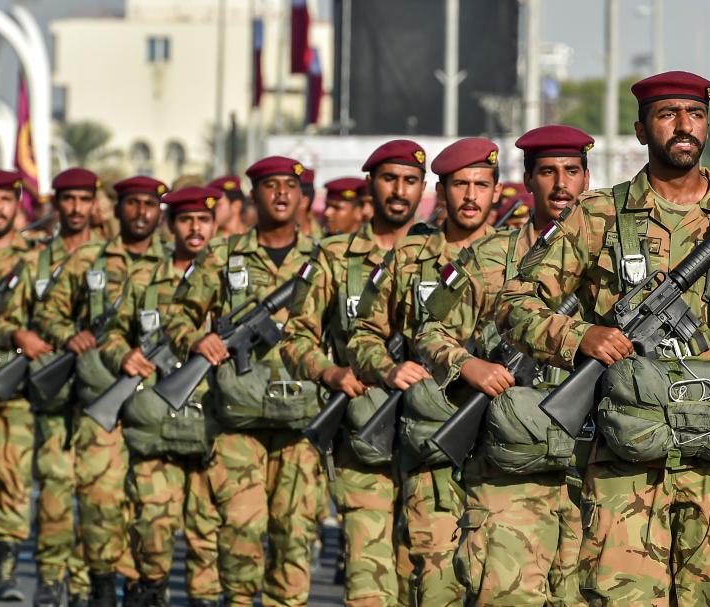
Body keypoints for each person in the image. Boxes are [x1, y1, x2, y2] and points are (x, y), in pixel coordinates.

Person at [496, 71, 710, 605]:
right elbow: (514, 303)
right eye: (668, 115)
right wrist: (581, 335)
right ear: (641, 130)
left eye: (695, 114)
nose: (684, 126)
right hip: (625, 469)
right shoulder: (600, 215)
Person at [416, 125, 592, 605]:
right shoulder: (490, 257)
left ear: (587, 179)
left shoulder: (613, 259)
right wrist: (468, 366)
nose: (561, 185)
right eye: (548, 173)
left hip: (594, 470)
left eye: (572, 172)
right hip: (509, 475)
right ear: (527, 181)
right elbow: (430, 331)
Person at [348, 137, 499, 606]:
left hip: (501, 451)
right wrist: (389, 369)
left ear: (497, 191)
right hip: (431, 451)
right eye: (460, 185)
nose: (471, 196)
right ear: (441, 190)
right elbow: (363, 335)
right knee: (436, 587)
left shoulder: (520, 259)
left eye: (481, 185)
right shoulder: (409, 259)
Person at [167, 156, 322, 606]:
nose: (280, 194)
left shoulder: (322, 256)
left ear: (301, 195)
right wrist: (199, 341)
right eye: (269, 186)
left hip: (301, 421)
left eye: (289, 186)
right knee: (241, 532)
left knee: (294, 534)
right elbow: (178, 316)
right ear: (252, 195)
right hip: (236, 420)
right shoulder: (223, 255)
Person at [281, 140, 428, 607]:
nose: (399, 190)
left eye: (409, 180)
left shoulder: (439, 254)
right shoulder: (334, 257)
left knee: (423, 572)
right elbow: (295, 338)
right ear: (371, 185)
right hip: (362, 434)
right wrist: (331, 373)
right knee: (368, 573)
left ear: (423, 188)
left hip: (431, 436)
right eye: (389, 179)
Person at [36, 175, 170, 607]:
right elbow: (48, 315)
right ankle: (98, 583)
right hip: (99, 400)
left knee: (148, 505)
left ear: (159, 212)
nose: (140, 212)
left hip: (154, 401)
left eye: (149, 204)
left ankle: (139, 583)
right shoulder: (89, 262)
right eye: (132, 204)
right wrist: (68, 336)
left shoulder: (174, 264)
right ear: (114, 209)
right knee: (99, 500)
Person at [98, 186, 223, 607]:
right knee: (152, 521)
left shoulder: (230, 277)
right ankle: (149, 589)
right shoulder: (146, 280)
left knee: (206, 529)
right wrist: (124, 355)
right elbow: (112, 333)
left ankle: (203, 599)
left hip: (210, 421)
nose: (195, 228)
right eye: (186, 220)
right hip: (156, 418)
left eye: (203, 220)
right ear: (171, 225)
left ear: (214, 224)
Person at [31, 168, 105, 607]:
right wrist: (27, 337)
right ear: (55, 204)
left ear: (95, 203)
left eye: (84, 199)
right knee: (56, 487)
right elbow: (13, 319)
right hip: (55, 390)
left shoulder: (113, 259)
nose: (76, 208)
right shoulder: (36, 260)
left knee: (98, 491)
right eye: (68, 199)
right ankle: (50, 575)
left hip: (102, 389)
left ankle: (81, 580)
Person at [0, 170, 48, 601]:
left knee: (14, 479)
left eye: (4, 200)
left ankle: (5, 571)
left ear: (17, 203)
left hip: (18, 387)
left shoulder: (36, 256)